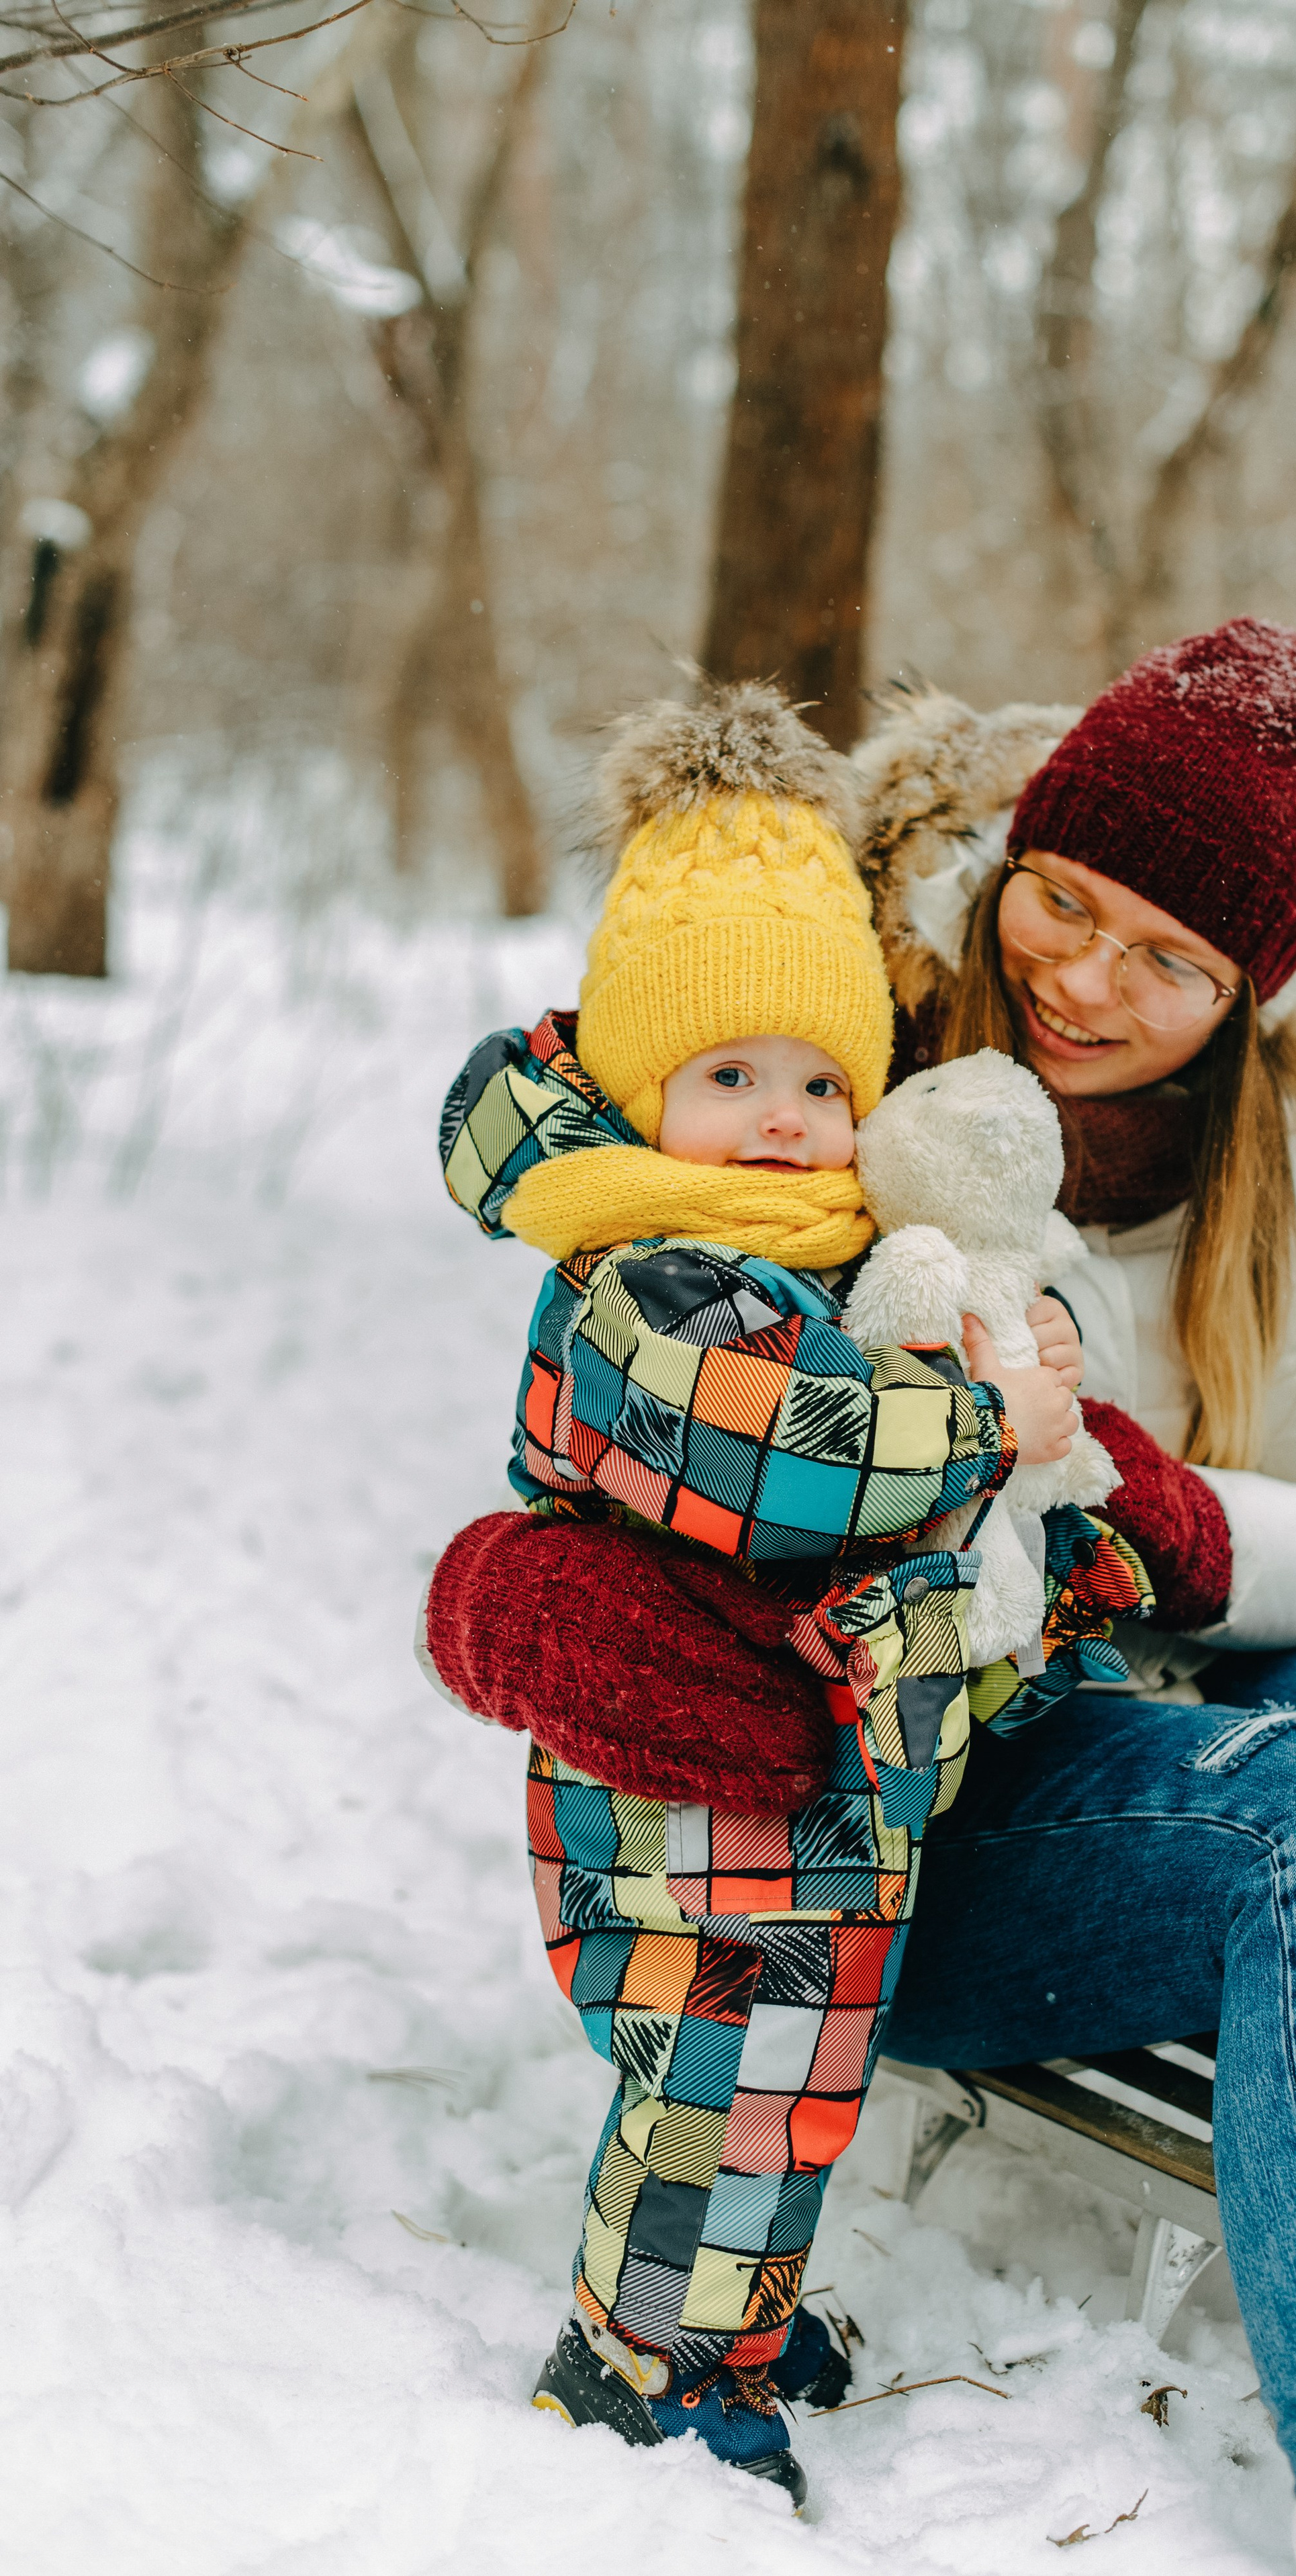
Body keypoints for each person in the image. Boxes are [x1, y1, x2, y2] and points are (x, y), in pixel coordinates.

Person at [427, 622, 1296, 2571]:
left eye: (1173, 960)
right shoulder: (831, 1054)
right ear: (1004, 856)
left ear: (1251, 995)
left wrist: (1173, 1512)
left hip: (1088, 1703)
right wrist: (512, 1587)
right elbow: (635, 1286)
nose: (1086, 977)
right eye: (1064, 898)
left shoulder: (1261, 1156)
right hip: (872, 1826)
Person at [424, 685, 1091, 2509]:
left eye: (819, 1081)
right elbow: (785, 1455)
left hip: (801, 1803)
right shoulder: (639, 1272)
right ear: (650, 1086)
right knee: (713, 2083)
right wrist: (987, 1419)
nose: (783, 1120)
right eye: (730, 1077)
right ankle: (638, 2364)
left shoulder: (815, 1254)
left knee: (790, 2089)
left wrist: (1024, 1354)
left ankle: (731, 2318)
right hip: (671, 1800)